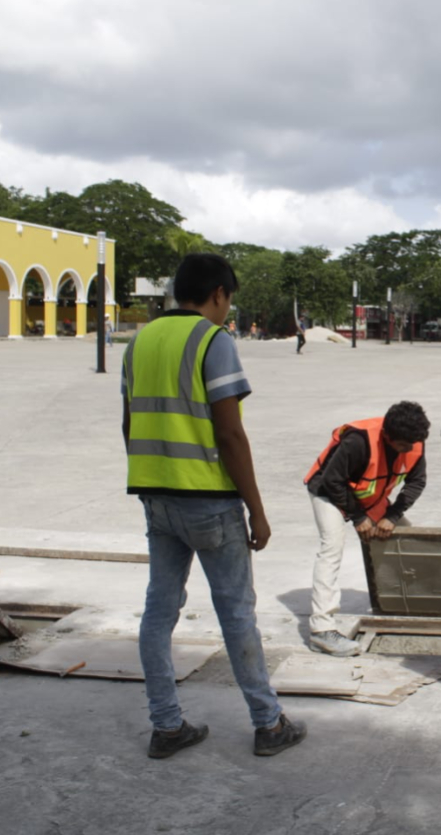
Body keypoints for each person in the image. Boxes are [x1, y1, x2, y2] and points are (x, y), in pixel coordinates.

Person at [122, 252, 305, 760]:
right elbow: (230, 432)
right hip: (209, 500)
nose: (228, 309)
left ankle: (166, 725)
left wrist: (152, 476)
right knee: (236, 614)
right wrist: (257, 510)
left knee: (159, 612)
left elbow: (128, 422)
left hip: (155, 497)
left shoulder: (139, 342)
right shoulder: (213, 340)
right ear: (219, 294)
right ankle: (268, 725)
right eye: (229, 300)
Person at [304, 402, 430, 656]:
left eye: (414, 443)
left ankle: (407, 603)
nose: (410, 449)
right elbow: (332, 480)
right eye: (404, 445)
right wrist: (358, 517)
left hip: (367, 495)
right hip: (329, 493)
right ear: (388, 436)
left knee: (406, 540)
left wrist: (392, 516)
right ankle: (322, 630)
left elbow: (417, 482)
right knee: (331, 547)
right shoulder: (359, 441)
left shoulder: (414, 440)